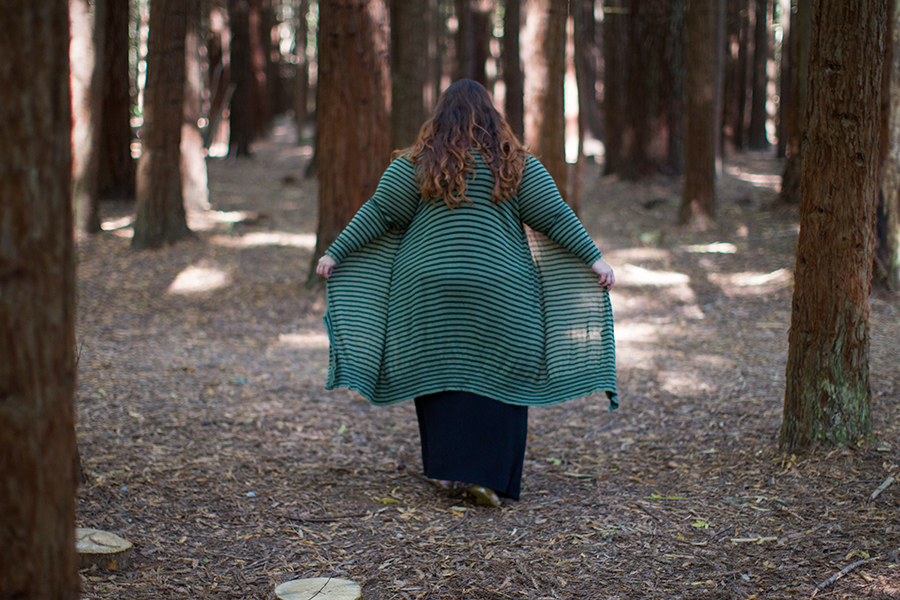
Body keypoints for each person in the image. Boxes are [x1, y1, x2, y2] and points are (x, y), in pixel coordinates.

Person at [316, 80, 617, 507]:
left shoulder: (416, 165)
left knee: (439, 374)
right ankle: (492, 477)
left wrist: (335, 252)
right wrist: (595, 259)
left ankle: (452, 472)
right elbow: (554, 216)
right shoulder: (517, 166)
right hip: (501, 289)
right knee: (504, 375)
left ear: (438, 118)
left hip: (426, 290)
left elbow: (380, 214)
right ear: (494, 118)